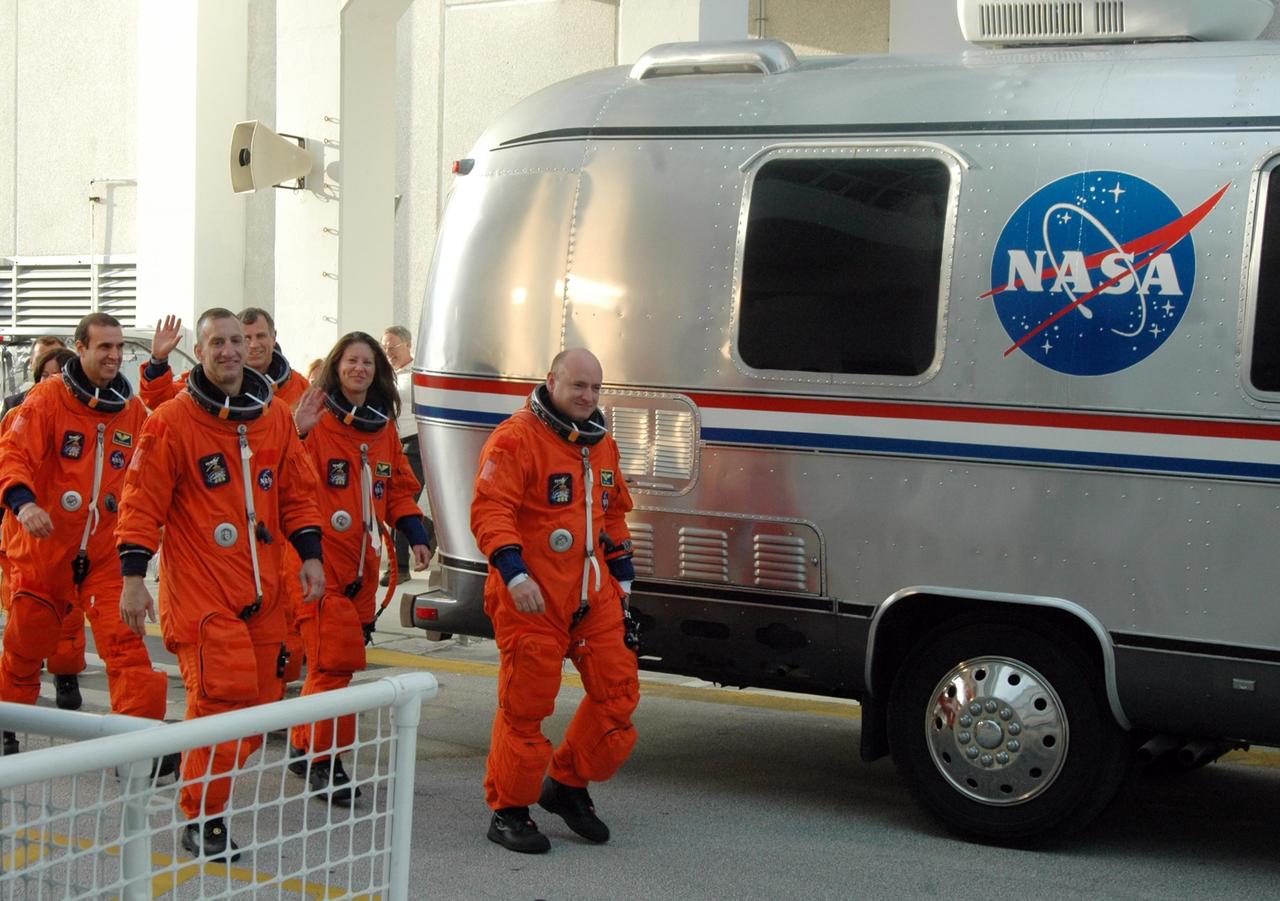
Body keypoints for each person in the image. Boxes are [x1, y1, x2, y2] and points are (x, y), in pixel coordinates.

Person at [117, 307, 325, 862]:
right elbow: (141, 505)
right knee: (219, 703)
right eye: (218, 343)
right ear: (200, 351)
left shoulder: (274, 417)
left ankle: (193, 775)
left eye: (238, 340)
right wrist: (133, 580)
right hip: (204, 594)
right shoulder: (172, 421)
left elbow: (298, 493)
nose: (230, 351)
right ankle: (202, 816)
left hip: (264, 594)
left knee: (257, 711)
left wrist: (310, 557)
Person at [470, 347, 640, 854]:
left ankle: (566, 786)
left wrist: (625, 578)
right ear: (552, 381)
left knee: (618, 697)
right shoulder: (516, 438)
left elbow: (612, 515)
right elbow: (490, 510)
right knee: (526, 709)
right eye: (577, 386)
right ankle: (508, 810)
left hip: (593, 595)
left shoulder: (601, 443)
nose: (587, 396)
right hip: (532, 598)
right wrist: (513, 571)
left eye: (595, 388)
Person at [0, 315, 169, 757]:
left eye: (119, 348)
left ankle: (138, 741)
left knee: (128, 646)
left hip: (104, 555)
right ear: (80, 348)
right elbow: (13, 454)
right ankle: (7, 723)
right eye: (104, 347)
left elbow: (149, 475)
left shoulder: (131, 412)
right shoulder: (48, 400)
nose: (114, 356)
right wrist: (24, 502)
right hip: (43, 547)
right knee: (25, 647)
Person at [286, 332, 431, 804]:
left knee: (334, 669)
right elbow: (279, 472)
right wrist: (298, 430)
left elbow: (397, 491)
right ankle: (326, 764)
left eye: (368, 363)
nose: (360, 369)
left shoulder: (382, 430)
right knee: (334, 663)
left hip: (362, 570)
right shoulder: (315, 422)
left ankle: (305, 743)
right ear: (337, 365)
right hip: (316, 566)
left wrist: (417, 534)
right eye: (352, 361)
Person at [0, 347, 85, 712]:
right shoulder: (20, 412)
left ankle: (65, 673)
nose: (53, 380)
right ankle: (14, 716)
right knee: (26, 623)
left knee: (69, 617)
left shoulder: (90, 412)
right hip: (24, 535)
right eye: (47, 374)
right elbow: (8, 463)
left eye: (60, 374)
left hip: (71, 538)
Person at [380, 326, 431, 586]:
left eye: (393, 346)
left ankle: (399, 567)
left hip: (414, 444)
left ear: (408, 345)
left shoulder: (417, 373)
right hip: (390, 445)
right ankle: (428, 531)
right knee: (389, 500)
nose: (388, 351)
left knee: (403, 499)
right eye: (385, 346)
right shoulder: (384, 374)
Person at [1, 335, 67, 418]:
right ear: (31, 363)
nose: (47, 364)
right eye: (41, 359)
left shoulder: (78, 405)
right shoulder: (12, 405)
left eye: (55, 358)